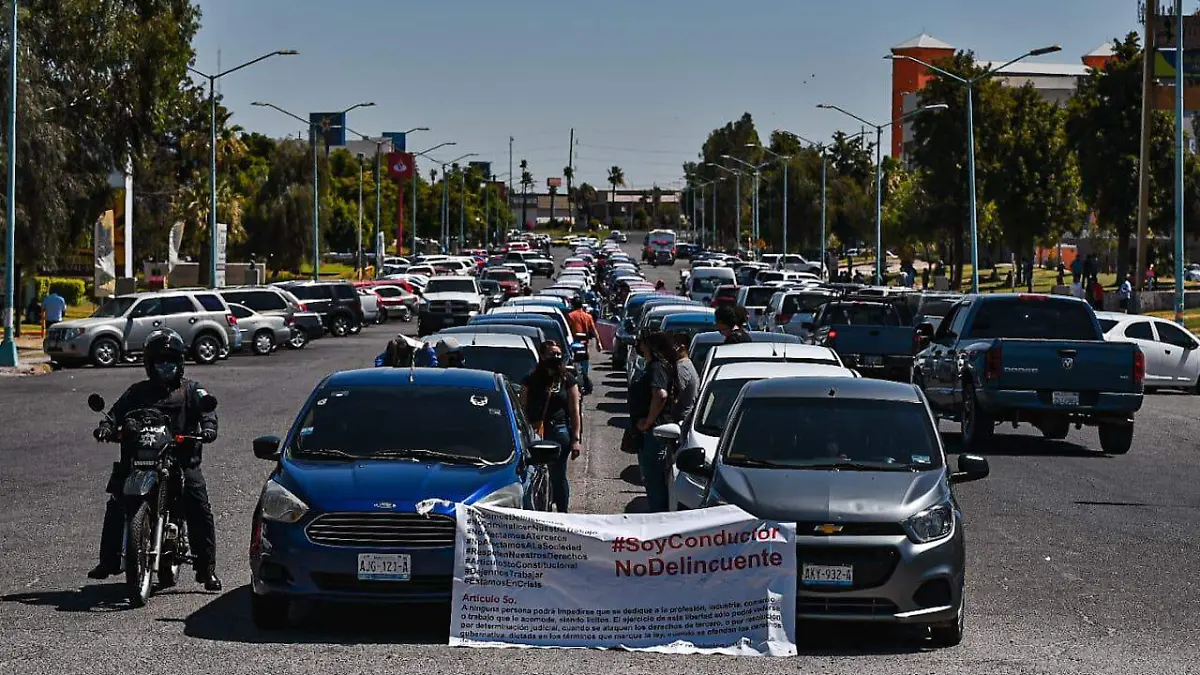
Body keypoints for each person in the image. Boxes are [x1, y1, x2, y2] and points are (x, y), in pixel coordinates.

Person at [89, 329, 222, 591]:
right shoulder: (137, 392)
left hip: (180, 462)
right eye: (160, 361)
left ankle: (206, 570)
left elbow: (208, 407)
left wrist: (208, 427)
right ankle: (108, 561)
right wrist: (106, 426)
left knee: (198, 504)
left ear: (180, 362)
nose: (165, 366)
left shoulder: (191, 390)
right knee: (117, 501)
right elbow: (115, 413)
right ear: (150, 365)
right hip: (139, 460)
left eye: (171, 360)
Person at [520, 342, 582, 512]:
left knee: (558, 475)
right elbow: (522, 407)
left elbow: (575, 410)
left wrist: (576, 439)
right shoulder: (530, 378)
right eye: (551, 354)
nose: (555, 358)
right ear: (542, 356)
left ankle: (562, 513)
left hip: (558, 431)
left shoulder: (567, 379)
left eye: (558, 354)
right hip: (535, 432)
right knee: (534, 474)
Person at [629, 332, 678, 513]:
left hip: (655, 431)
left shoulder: (657, 367)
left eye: (641, 342)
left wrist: (648, 422)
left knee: (653, 477)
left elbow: (660, 394)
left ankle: (657, 518)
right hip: (652, 430)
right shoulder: (655, 366)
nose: (638, 346)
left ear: (649, 345)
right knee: (653, 477)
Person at [566, 298, 601, 394]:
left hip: (574, 343)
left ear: (573, 306)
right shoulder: (587, 316)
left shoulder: (570, 316)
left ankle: (580, 381)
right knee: (585, 363)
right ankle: (584, 378)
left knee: (575, 363)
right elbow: (593, 330)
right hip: (584, 344)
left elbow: (568, 330)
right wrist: (598, 342)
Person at [669, 331, 700, 423]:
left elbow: (676, 395)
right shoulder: (686, 364)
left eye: (673, 345)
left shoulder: (682, 367)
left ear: (682, 347)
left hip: (681, 419)